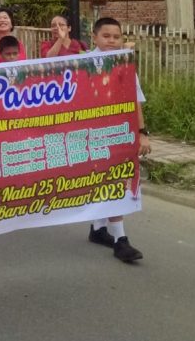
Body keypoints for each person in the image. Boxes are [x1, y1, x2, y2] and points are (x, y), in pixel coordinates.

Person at [87, 17, 150, 264]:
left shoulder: (125, 64)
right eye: (106, 36)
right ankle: (119, 240)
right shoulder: (83, 65)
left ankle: (101, 230)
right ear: (94, 37)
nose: (112, 41)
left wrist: (142, 132)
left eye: (116, 36)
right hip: (92, 134)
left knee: (114, 180)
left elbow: (134, 100)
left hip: (119, 132)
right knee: (108, 181)